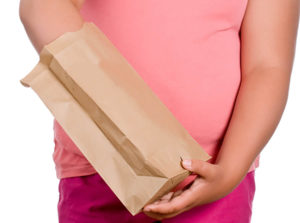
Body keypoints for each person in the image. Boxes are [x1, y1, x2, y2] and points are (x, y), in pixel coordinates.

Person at [19, 0, 299, 222]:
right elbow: (41, 7)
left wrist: (229, 171)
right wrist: (130, 134)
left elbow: (268, 66)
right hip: (100, 169)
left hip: (216, 173)